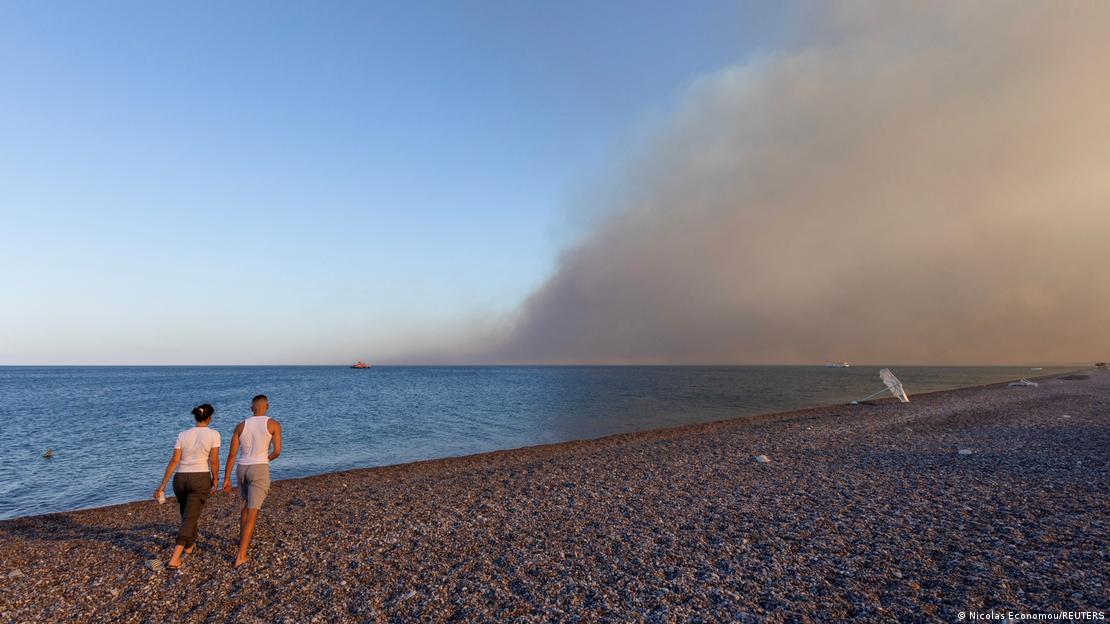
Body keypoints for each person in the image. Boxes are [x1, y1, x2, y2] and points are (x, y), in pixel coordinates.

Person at [153, 403, 221, 570]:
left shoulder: (183, 435)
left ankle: (189, 546)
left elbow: (175, 461)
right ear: (209, 418)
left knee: (188, 514)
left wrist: (162, 485)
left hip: (180, 479)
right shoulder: (214, 434)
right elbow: (213, 460)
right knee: (189, 517)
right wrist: (215, 479)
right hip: (200, 478)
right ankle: (175, 559)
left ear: (196, 417)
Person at [222, 394, 282, 568]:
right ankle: (241, 555)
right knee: (253, 511)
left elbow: (232, 454)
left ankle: (243, 540)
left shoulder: (241, 426)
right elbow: (277, 451)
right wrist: (266, 458)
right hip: (259, 468)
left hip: (242, 468)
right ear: (267, 406)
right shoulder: (273, 424)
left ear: (251, 408)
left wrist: (226, 478)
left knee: (246, 505)